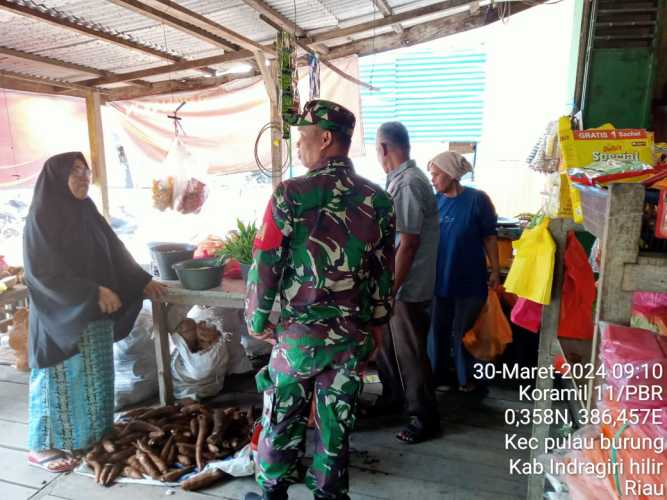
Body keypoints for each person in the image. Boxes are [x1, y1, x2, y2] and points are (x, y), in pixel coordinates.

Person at [244, 100, 395, 500]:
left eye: (303, 137)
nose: (298, 147)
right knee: (335, 427)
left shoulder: (290, 194)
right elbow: (384, 272)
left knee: (281, 418)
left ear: (325, 138)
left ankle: (272, 492)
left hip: (297, 338)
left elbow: (266, 262)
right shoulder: (378, 200)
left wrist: (257, 319)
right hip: (349, 339)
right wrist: (378, 326)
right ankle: (330, 494)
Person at [23, 152, 165, 472]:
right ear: (57, 178)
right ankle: (41, 445)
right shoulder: (43, 217)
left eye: (87, 171)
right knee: (59, 379)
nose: (84, 177)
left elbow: (114, 248)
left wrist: (141, 281)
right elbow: (40, 272)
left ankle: (91, 436)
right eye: (75, 172)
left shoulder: (86, 209)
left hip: (95, 314)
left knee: (94, 378)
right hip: (61, 317)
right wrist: (91, 292)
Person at [373, 122, 440, 444]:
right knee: (388, 348)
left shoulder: (410, 183)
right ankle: (392, 398)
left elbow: (409, 243)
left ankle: (423, 417)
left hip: (406, 288)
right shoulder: (398, 181)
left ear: (384, 148)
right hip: (396, 284)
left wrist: (391, 288)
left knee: (410, 352)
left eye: (376, 148)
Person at [427, 151, 500, 393]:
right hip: (438, 279)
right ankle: (437, 376)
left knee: (463, 331)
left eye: (436, 174)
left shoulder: (477, 200)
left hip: (469, 279)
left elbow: (490, 237)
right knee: (437, 330)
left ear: (451, 174)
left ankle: (466, 379)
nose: (433, 179)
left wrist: (495, 270)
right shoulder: (433, 202)